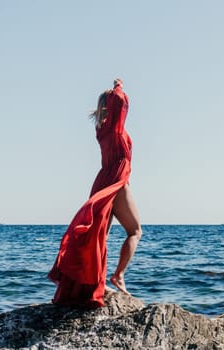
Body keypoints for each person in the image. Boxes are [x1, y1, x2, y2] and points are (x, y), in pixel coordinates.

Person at [48, 79, 143, 308]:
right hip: (116, 182)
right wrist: (118, 85)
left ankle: (97, 281)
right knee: (135, 231)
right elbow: (120, 100)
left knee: (101, 235)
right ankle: (118, 275)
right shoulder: (113, 127)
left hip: (104, 180)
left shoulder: (101, 129)